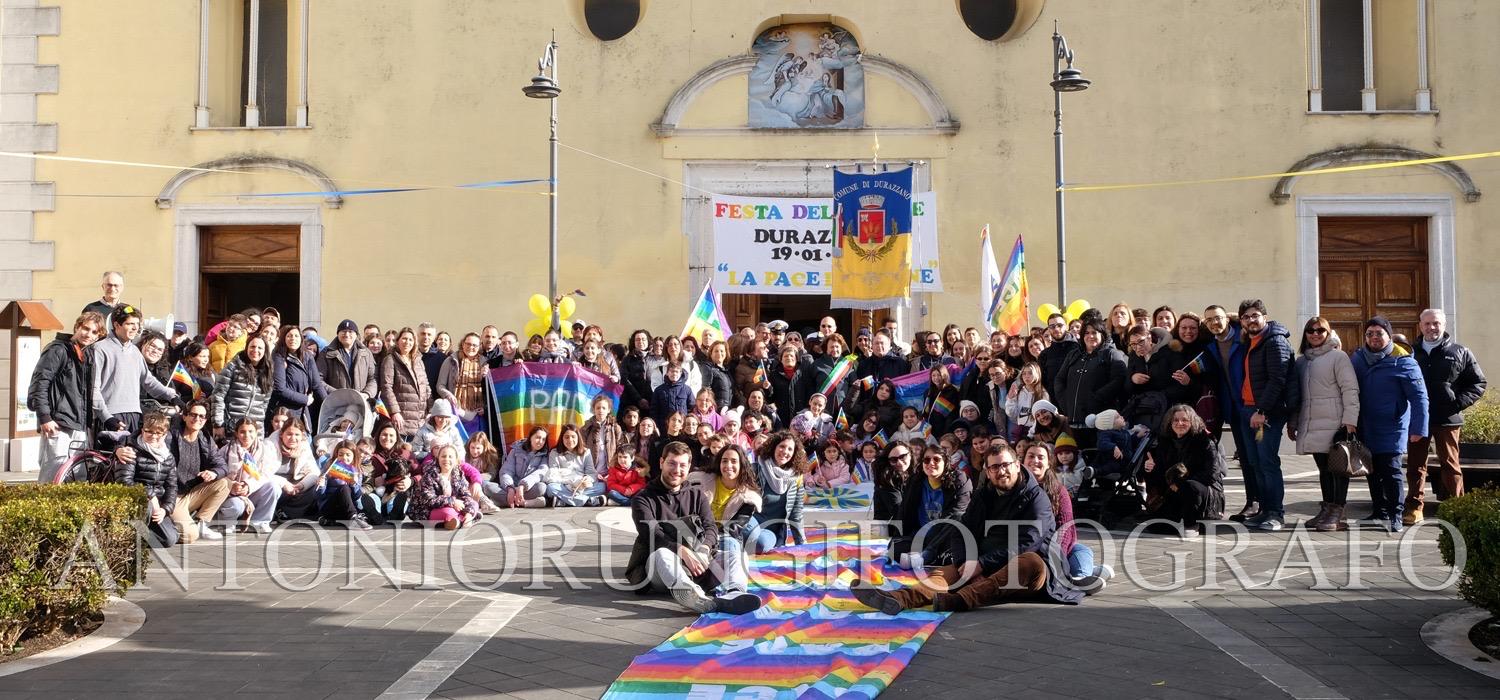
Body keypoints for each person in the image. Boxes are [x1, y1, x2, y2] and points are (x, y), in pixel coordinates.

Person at [852, 444, 1082, 613]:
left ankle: (960, 600)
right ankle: (899, 598)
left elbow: (1027, 542)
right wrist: (965, 562)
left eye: (1005, 465)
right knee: (946, 572)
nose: (1001, 471)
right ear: (988, 471)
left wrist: (981, 564)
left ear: (1016, 464)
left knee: (1029, 560)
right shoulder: (983, 494)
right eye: (994, 467)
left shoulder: (1037, 498)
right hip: (983, 559)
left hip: (1030, 568)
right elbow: (962, 529)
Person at [624, 441, 762, 614]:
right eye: (672, 463)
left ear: (689, 466)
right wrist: (681, 550)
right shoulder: (642, 499)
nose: (677, 470)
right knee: (661, 554)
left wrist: (704, 550)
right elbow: (652, 534)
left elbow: (710, 527)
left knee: (737, 555)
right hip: (660, 570)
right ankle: (693, 596)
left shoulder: (697, 494)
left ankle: (734, 594)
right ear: (661, 463)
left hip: (697, 563)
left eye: (682, 465)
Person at [1407, 308, 1487, 524]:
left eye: (1436, 323)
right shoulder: (1411, 353)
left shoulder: (1460, 351)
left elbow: (1478, 383)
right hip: (1418, 419)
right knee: (1415, 465)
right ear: (1420, 325)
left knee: (1450, 465)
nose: (1432, 328)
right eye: (1427, 324)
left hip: (1448, 419)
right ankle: (1414, 507)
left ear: (1443, 325)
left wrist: (1457, 403)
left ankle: (1457, 509)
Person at [1350, 316, 1429, 533]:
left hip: (1392, 426)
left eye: (1379, 333)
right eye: (1370, 334)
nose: (1374, 337)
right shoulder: (1357, 358)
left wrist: (1419, 428)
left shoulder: (1404, 362)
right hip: (1365, 424)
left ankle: (1396, 513)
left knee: (1391, 470)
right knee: (1371, 470)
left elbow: (1419, 397)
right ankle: (1379, 511)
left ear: (1388, 335)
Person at [1289, 318, 1360, 532]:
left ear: (1328, 333)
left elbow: (1350, 389)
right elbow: (1297, 396)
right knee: (1323, 469)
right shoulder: (1302, 362)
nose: (1315, 334)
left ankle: (1339, 512)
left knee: (1339, 468)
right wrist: (1293, 422)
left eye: (1321, 330)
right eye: (1310, 330)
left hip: (1336, 423)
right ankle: (1327, 508)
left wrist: (1350, 420)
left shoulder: (1338, 357)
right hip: (1311, 423)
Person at [1235, 300, 1295, 532]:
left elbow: (1278, 379)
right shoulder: (1251, 341)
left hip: (1265, 413)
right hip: (1249, 409)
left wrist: (1262, 411)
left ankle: (1275, 514)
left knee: (1267, 462)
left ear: (1265, 317)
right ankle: (1263, 511)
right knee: (1255, 462)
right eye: (1246, 317)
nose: (1251, 320)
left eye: (1255, 315)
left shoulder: (1275, 341)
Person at [30, 312, 103, 482]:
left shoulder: (86, 355)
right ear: (77, 327)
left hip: (79, 424)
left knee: (76, 476)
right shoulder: (58, 350)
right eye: (86, 328)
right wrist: (45, 418)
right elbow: (39, 384)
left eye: (94, 332)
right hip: (58, 423)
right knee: (53, 476)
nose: (88, 334)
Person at [89, 304, 180, 435]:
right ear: (116, 325)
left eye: (137, 324)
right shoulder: (100, 349)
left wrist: (172, 396)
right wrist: (106, 417)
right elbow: (94, 390)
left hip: (134, 415)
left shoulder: (135, 351)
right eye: (130, 323)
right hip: (111, 416)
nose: (135, 328)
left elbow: (148, 382)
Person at [1144, 405, 1227, 534]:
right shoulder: (1165, 442)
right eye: (1175, 420)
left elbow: (1212, 475)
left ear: (1193, 421)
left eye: (1185, 420)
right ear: (1170, 422)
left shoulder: (1205, 441)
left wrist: (1180, 483)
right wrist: (1151, 467)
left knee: (1189, 486)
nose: (1179, 423)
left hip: (1205, 491)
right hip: (1175, 489)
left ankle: (1191, 525)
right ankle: (1178, 517)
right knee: (1156, 527)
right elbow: (1161, 473)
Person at [1202, 304, 1253, 515]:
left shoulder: (1244, 338)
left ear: (1227, 318)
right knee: (1246, 458)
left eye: (1218, 318)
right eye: (1210, 320)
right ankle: (1253, 502)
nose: (1215, 323)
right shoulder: (1211, 346)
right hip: (1232, 408)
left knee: (1258, 459)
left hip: (1251, 406)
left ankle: (1268, 506)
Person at [886, 449, 971, 570]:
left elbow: (956, 513)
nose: (931, 463)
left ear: (946, 462)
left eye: (936, 459)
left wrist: (930, 546)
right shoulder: (916, 480)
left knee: (958, 517)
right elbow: (904, 511)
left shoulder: (960, 480)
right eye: (926, 460)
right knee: (894, 549)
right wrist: (897, 537)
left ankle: (927, 556)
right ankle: (927, 557)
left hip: (944, 536)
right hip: (921, 535)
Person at [1054, 318, 1127, 447]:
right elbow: (1059, 380)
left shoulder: (1111, 354)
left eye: (1094, 332)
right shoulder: (1073, 355)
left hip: (1100, 422)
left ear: (1102, 334)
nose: (1090, 336)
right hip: (1074, 421)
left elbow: (1119, 380)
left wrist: (1097, 397)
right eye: (1086, 333)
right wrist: (1066, 402)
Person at [111, 411, 179, 547]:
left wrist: (165, 509)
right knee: (145, 506)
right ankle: (131, 538)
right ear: (142, 431)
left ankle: (133, 538)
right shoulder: (131, 451)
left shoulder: (168, 457)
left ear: (165, 434)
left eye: (158, 433)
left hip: (156, 505)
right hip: (135, 499)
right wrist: (150, 495)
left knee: (170, 539)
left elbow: (172, 487)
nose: (153, 436)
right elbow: (124, 482)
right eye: (149, 431)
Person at [216, 417, 278, 533]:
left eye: (250, 431)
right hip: (232, 494)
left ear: (256, 432)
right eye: (242, 432)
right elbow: (219, 472)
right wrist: (232, 485)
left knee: (273, 486)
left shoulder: (264, 450)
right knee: (236, 505)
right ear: (236, 433)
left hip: (253, 490)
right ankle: (228, 522)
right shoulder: (226, 450)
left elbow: (266, 473)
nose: (247, 435)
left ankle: (259, 522)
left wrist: (248, 485)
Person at [748, 431, 807, 553]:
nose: (785, 452)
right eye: (782, 446)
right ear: (773, 447)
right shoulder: (755, 469)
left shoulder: (796, 478)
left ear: (794, 454)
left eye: (790, 449)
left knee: (761, 544)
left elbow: (796, 514)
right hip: (751, 520)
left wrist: (802, 544)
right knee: (749, 533)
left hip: (772, 530)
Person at [269, 325, 327, 431]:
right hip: (286, 412)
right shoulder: (279, 357)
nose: (293, 339)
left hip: (304, 412)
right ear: (283, 338)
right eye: (289, 336)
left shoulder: (307, 357)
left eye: (296, 336)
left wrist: (329, 404)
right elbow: (279, 388)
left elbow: (317, 384)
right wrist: (304, 399)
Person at [213, 335, 273, 438]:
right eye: (252, 346)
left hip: (254, 431)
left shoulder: (267, 373)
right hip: (232, 428)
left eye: (260, 348)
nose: (255, 350)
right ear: (247, 348)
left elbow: (264, 405)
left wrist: (259, 430)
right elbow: (218, 396)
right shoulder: (233, 367)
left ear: (265, 351)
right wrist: (218, 424)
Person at [412, 444, 482, 529]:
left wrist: (468, 512)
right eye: (443, 456)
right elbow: (429, 500)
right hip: (428, 510)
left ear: (456, 460)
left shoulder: (458, 474)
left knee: (474, 503)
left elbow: (465, 495)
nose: (446, 459)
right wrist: (452, 502)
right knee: (448, 512)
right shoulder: (430, 474)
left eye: (450, 457)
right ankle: (463, 520)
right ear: (438, 458)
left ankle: (463, 519)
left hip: (453, 506)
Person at [379, 327, 431, 439]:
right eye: (404, 339)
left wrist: (430, 410)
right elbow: (386, 387)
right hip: (401, 418)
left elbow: (426, 386)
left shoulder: (418, 361)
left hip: (420, 419)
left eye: (410, 339)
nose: (407, 342)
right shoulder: (390, 360)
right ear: (398, 341)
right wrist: (395, 412)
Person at [317, 319, 378, 401]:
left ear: (356, 335)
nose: (347, 334)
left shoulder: (366, 353)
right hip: (336, 402)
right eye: (343, 331)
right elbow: (318, 380)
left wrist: (366, 394)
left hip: (361, 402)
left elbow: (373, 378)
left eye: (350, 331)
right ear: (338, 334)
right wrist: (337, 394)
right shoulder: (326, 353)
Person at [544, 424, 604, 506]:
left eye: (573, 436)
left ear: (578, 438)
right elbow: (553, 475)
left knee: (602, 487)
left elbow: (591, 473)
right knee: (550, 488)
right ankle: (587, 501)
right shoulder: (555, 453)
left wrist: (587, 480)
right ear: (562, 438)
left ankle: (564, 501)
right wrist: (571, 482)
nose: (570, 440)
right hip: (564, 485)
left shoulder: (586, 452)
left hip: (581, 486)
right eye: (566, 437)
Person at [499, 427, 551, 508]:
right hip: (511, 487)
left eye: (543, 439)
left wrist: (522, 486)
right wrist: (510, 488)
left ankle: (507, 501)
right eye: (538, 437)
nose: (540, 442)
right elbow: (506, 470)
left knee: (541, 487)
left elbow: (540, 473)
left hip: (528, 488)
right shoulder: (516, 450)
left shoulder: (545, 456)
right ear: (530, 438)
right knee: (488, 487)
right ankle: (522, 501)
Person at [581, 394, 623, 478]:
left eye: (604, 408)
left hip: (610, 472)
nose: (601, 410)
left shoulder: (615, 427)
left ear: (608, 410)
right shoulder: (586, 428)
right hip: (590, 472)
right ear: (593, 410)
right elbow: (581, 449)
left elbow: (620, 448)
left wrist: (614, 470)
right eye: (598, 408)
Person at [417, 322, 446, 397]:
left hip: (434, 401)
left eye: (429, 334)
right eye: (423, 334)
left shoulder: (442, 359)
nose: (426, 337)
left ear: (434, 338)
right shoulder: (409, 356)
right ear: (417, 336)